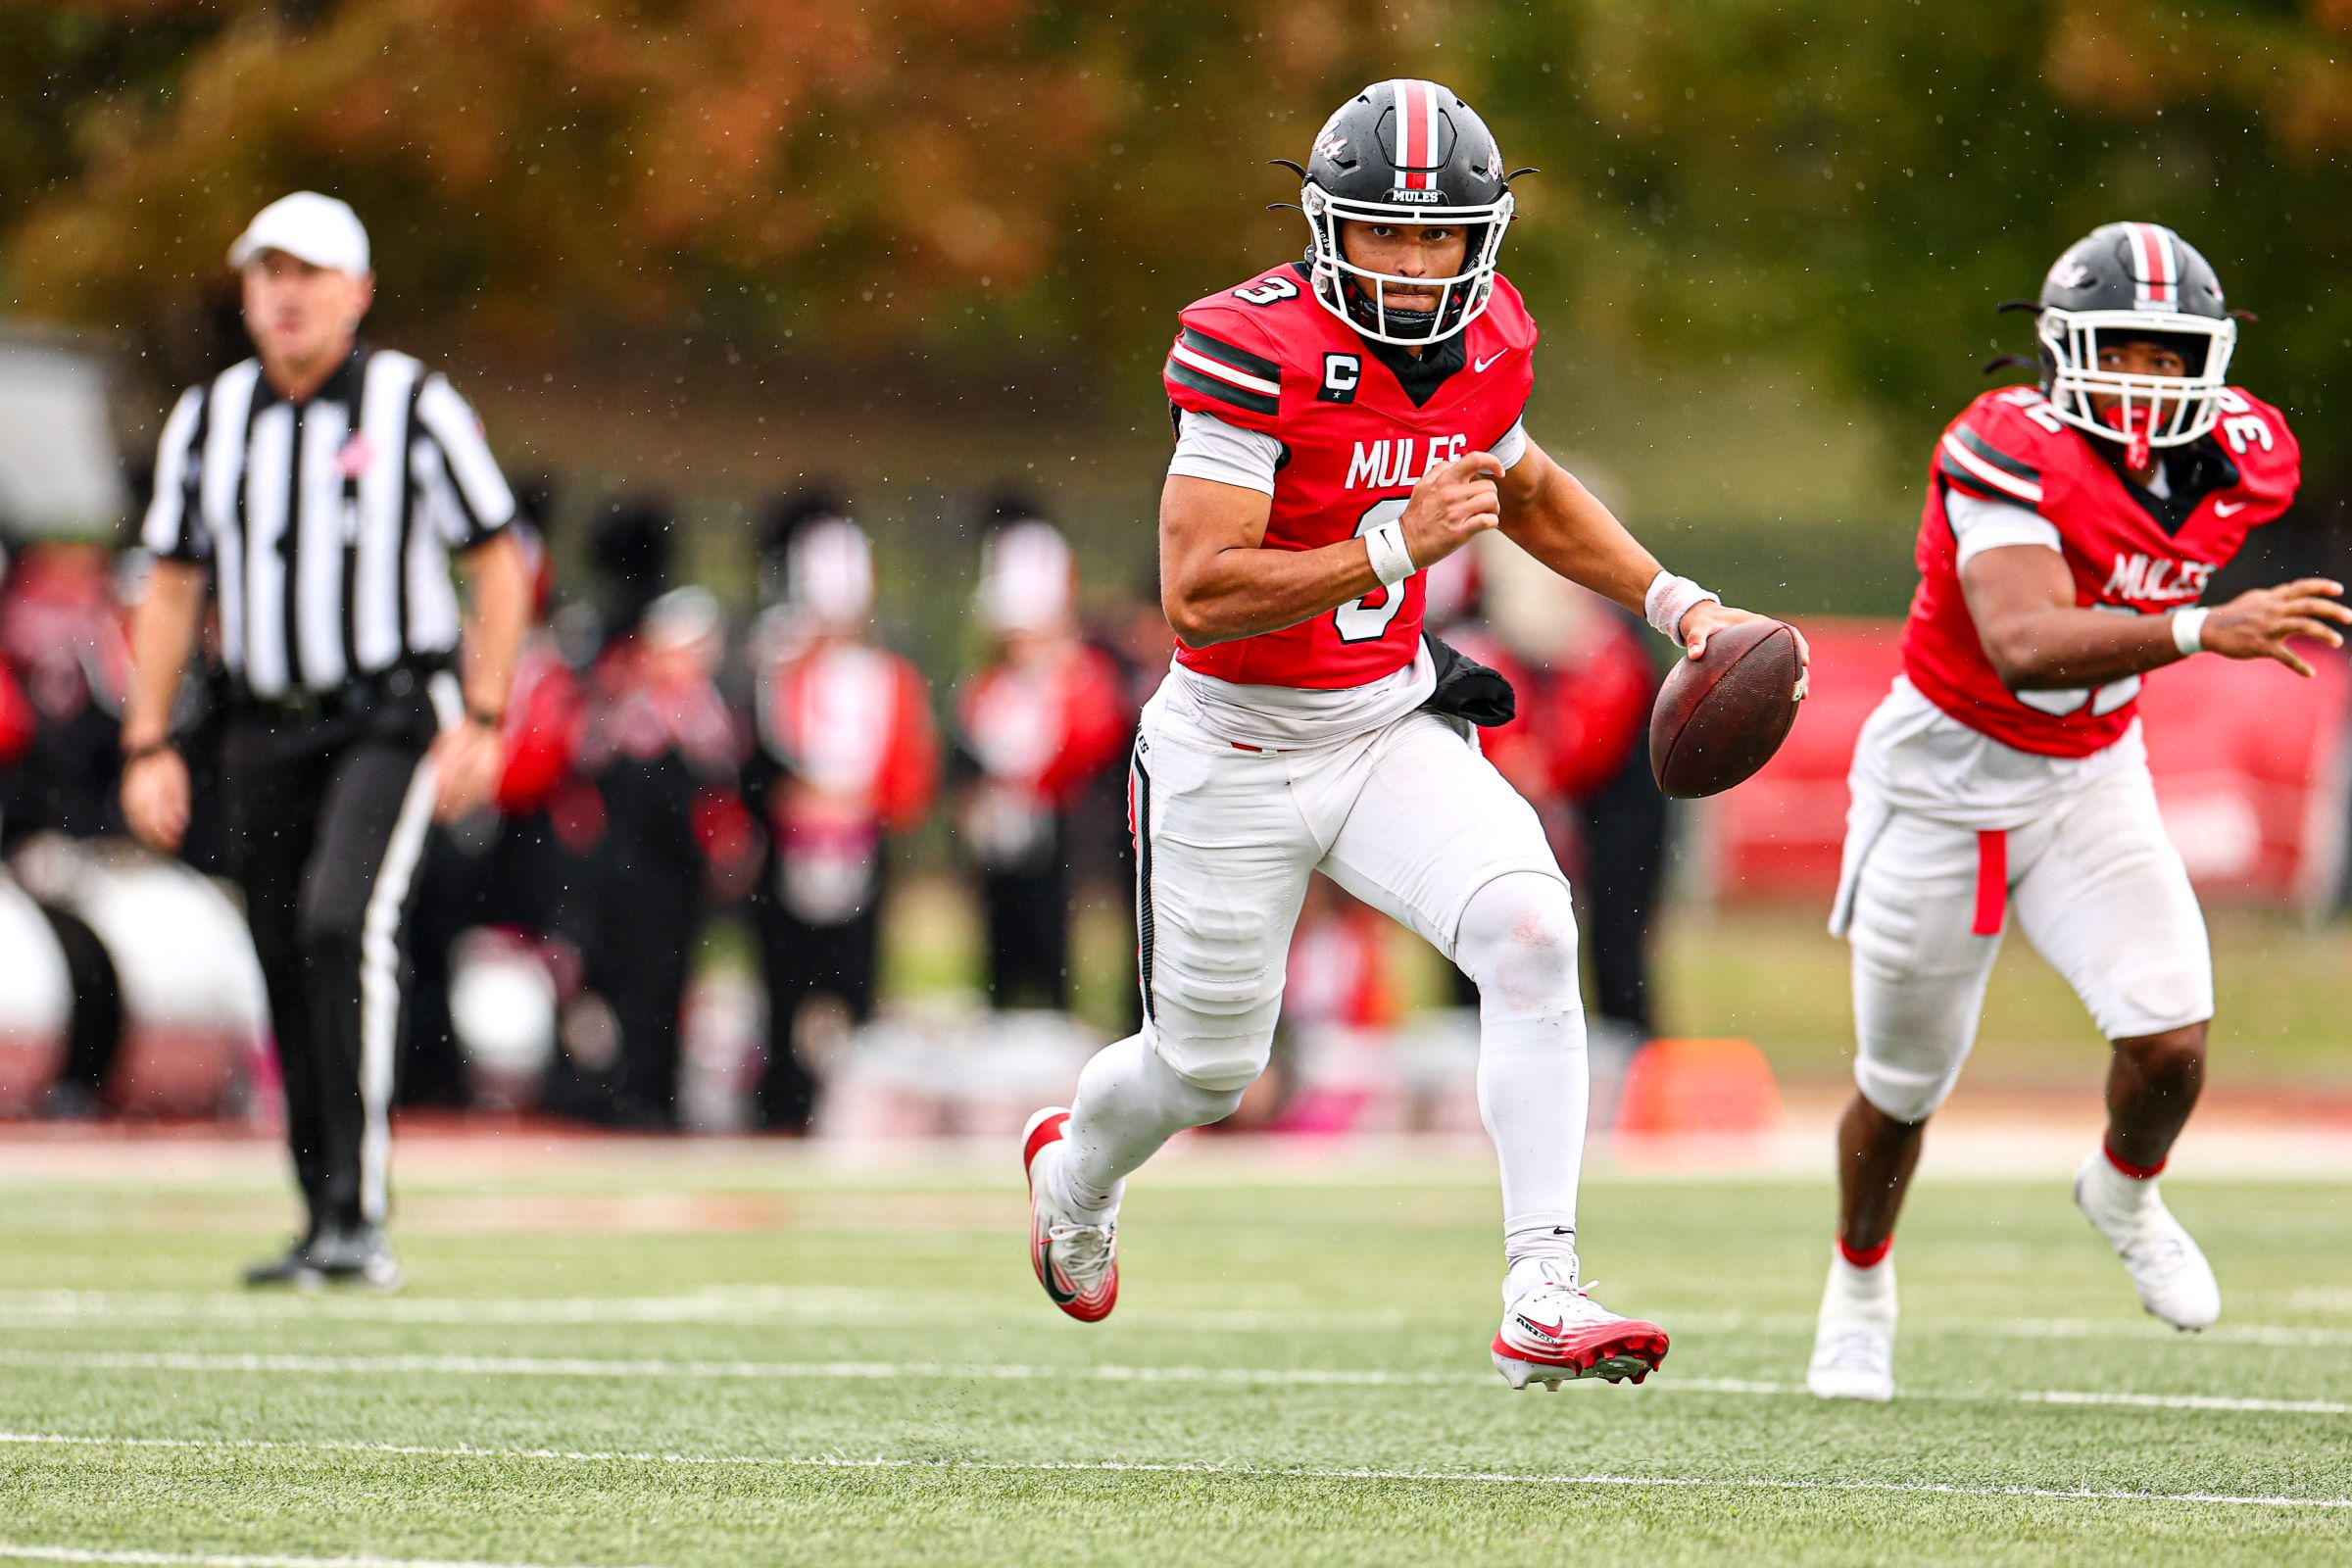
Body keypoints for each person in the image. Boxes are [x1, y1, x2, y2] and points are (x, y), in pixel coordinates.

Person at [1017, 80, 1800, 1389]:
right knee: (1204, 1073)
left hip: (1384, 722)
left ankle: (1542, 1286)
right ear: (1329, 229)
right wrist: (1392, 545)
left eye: (1441, 236)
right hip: (1232, 747)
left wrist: (1680, 605)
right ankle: (1077, 1175)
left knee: (1532, 930)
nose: (1416, 263)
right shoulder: (1250, 348)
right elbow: (1198, 592)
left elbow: (1527, 489)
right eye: (1387, 231)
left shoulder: (1490, 339)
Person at [1806, 222, 2348, 1401]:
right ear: (2062, 351)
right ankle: (1859, 1283)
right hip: (1940, 788)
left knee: (2171, 1039)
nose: (2147, 380)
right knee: (1901, 1087)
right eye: (2124, 352)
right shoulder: (2003, 445)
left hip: (2089, 776)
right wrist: (2199, 626)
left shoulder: (2251, 452)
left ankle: (2124, 1192)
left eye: (2170, 356)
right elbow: (2023, 640)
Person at [120, 192, 531, 1288]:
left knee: (340, 922)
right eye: (269, 273)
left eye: (308, 272)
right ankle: (319, 1214)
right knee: (279, 948)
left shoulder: (412, 404)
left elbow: (499, 560)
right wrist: (147, 740)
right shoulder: (210, 417)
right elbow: (172, 584)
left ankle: (360, 1211)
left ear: (358, 293)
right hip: (259, 721)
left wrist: (486, 712)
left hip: (385, 716)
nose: (286, 294)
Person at [741, 494, 936, 1131]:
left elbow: (907, 775)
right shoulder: (778, 671)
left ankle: (847, 1103)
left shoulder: (888, 677)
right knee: (784, 984)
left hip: (859, 846)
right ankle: (781, 1103)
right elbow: (761, 762)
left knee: (853, 983)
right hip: (792, 848)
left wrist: (861, 801)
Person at [955, 504, 1131, 1011]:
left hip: (1067, 837)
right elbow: (971, 746)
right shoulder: (990, 685)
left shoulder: (1084, 678)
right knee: (1000, 951)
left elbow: (1091, 743)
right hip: (1002, 840)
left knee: (1055, 950)